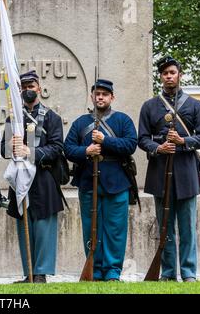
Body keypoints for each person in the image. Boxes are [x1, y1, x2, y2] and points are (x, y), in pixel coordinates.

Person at [138, 56, 200, 282]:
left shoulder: (195, 105)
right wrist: (159, 147)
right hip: (160, 170)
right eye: (165, 73)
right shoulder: (149, 106)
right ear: (160, 76)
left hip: (186, 170)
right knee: (165, 225)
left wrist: (183, 142)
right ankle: (167, 272)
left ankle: (188, 272)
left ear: (180, 75)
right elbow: (142, 139)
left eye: (172, 72)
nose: (169, 76)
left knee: (187, 226)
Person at [64, 79, 137, 281]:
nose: (101, 97)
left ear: (112, 97)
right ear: (92, 97)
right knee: (91, 229)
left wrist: (106, 141)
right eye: (97, 94)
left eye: (105, 94)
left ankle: (113, 271)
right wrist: (86, 150)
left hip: (117, 182)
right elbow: (68, 148)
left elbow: (131, 144)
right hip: (88, 181)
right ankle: (94, 269)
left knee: (115, 231)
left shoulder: (123, 120)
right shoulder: (80, 122)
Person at [1, 70, 64, 283]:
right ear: (20, 90)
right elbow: (3, 149)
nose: (28, 90)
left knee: (44, 225)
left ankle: (41, 273)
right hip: (20, 177)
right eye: (25, 87)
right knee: (23, 223)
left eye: (32, 86)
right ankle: (28, 273)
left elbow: (57, 147)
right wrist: (10, 146)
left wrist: (33, 152)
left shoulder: (52, 117)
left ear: (39, 88)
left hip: (44, 176)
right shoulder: (14, 119)